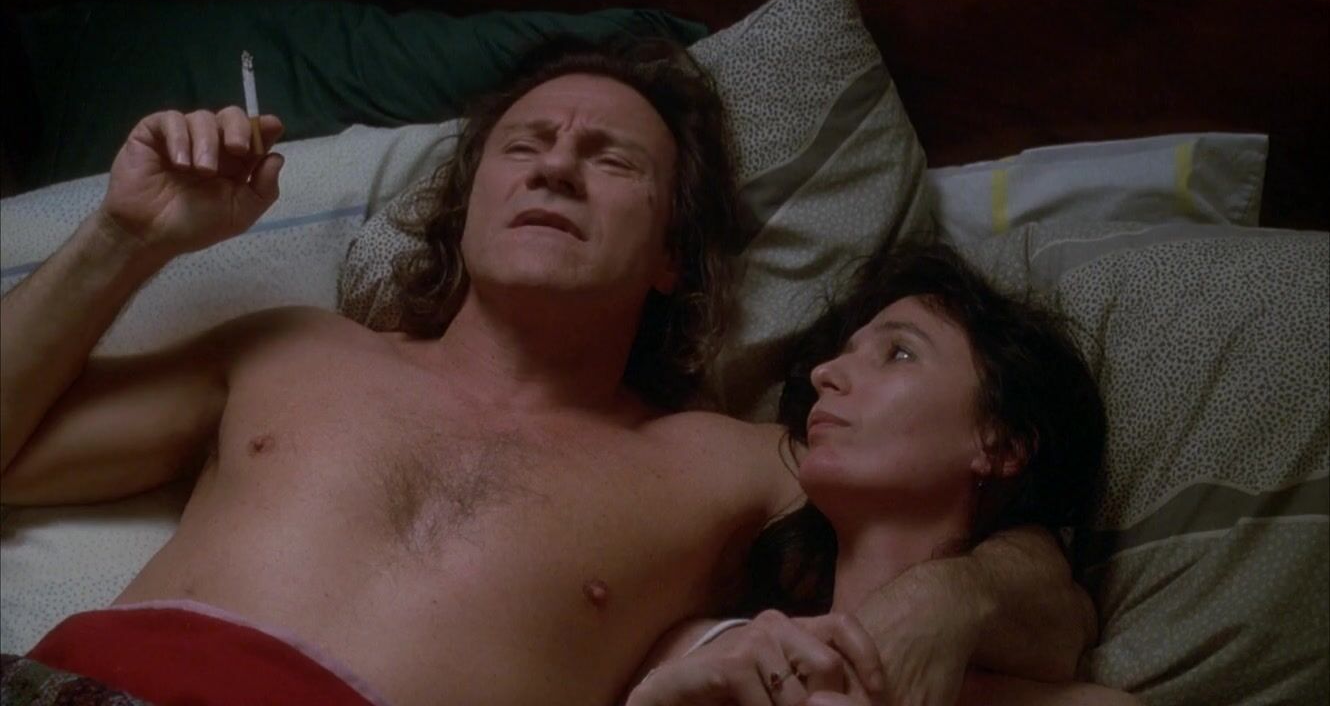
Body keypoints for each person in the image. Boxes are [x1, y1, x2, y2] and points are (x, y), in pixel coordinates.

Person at [0, 37, 1093, 705]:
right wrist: (124, 237)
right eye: (523, 146)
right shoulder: (292, 348)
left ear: (671, 255)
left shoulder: (724, 463)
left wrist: (953, 600)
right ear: (467, 201)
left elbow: (1037, 578)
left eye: (611, 160)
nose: (557, 166)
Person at [626, 241, 1138, 705]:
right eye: (840, 355)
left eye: (899, 353)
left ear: (1000, 445)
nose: (825, 373)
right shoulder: (717, 664)